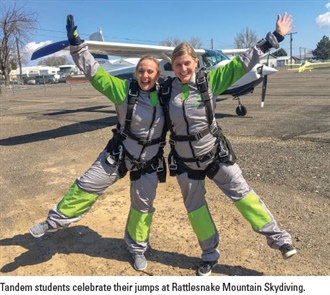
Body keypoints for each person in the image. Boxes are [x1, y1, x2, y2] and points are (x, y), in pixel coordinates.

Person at [159, 12, 297, 276]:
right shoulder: (166, 91)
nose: (183, 69)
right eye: (177, 65)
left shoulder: (210, 81)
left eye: (187, 63)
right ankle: (209, 254)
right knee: (196, 211)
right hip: (186, 162)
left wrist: (274, 38)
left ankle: (280, 239)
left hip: (213, 154)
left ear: (195, 63)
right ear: (172, 67)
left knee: (244, 196)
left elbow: (241, 63)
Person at [29, 15, 167, 272]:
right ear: (136, 73)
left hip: (149, 161)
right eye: (141, 70)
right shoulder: (123, 90)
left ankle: (137, 248)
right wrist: (77, 45)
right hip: (120, 152)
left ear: (158, 75)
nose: (145, 75)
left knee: (143, 207)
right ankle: (53, 222)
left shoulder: (167, 96)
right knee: (86, 184)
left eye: (150, 71)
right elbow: (95, 73)